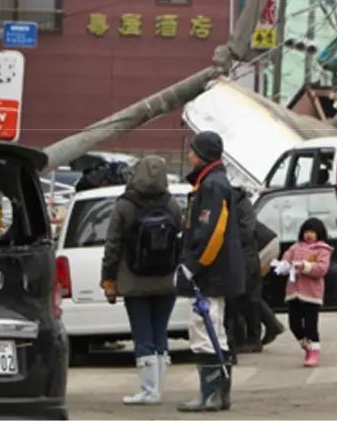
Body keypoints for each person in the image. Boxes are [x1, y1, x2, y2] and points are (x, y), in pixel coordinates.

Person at [100, 155, 182, 406]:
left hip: (134, 280)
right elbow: (180, 238)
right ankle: (157, 388)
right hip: (167, 279)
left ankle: (148, 391)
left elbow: (112, 245)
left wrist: (108, 279)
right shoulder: (172, 204)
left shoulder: (124, 205)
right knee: (160, 333)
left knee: (142, 334)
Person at [177, 131, 245, 413]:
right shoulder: (210, 183)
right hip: (216, 272)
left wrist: (193, 266)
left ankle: (211, 394)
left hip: (211, 274)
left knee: (204, 327)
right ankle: (217, 394)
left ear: (203, 154)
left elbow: (213, 232)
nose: (189, 155)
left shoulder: (213, 186)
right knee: (213, 328)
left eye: (193, 150)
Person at [226, 188, 285, 353]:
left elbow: (245, 235)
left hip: (264, 245)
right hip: (260, 244)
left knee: (248, 290)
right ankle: (271, 325)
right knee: (248, 290)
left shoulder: (232, 203)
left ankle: (268, 328)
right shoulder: (234, 201)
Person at [273, 217, 332, 367]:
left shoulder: (323, 250)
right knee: (294, 324)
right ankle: (306, 344)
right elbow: (286, 258)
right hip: (294, 293)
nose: (309, 235)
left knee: (311, 325)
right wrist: (284, 265)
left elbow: (321, 269)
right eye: (306, 232)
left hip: (311, 294)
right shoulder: (295, 247)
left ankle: (313, 352)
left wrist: (304, 266)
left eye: (312, 232)